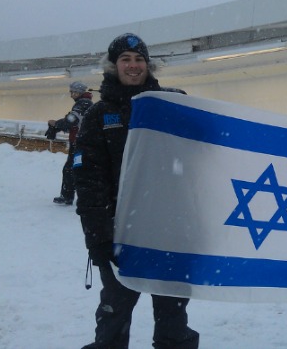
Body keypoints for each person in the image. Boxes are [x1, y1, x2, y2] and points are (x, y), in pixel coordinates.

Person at [74, 33, 200, 349]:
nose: (133, 65)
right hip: (120, 233)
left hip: (168, 231)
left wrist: (190, 112)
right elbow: (89, 181)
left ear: (148, 65)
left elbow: (200, 155)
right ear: (114, 66)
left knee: (173, 314)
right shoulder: (98, 115)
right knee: (114, 313)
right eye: (126, 59)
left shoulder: (169, 105)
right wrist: (98, 236)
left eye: (139, 59)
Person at [47, 81, 93, 205]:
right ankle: (73, 196)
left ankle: (69, 196)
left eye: (73, 92)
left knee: (72, 169)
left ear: (79, 92)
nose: (71, 94)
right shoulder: (85, 103)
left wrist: (55, 124)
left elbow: (71, 120)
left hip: (80, 142)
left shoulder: (82, 103)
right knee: (75, 169)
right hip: (82, 142)